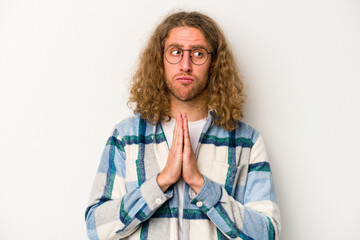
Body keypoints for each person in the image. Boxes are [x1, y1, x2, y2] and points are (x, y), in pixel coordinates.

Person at [85, 11, 281, 240]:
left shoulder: (246, 142)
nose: (185, 65)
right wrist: (161, 181)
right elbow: (95, 229)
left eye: (198, 53)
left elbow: (267, 234)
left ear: (214, 63)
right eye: (176, 52)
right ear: (160, 60)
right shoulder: (126, 136)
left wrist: (199, 183)